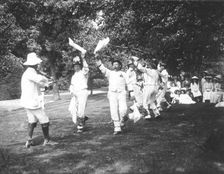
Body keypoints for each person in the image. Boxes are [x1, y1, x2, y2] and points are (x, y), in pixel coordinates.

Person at [20, 52, 55, 148]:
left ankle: (29, 140)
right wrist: (48, 80)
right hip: (32, 102)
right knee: (45, 120)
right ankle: (47, 140)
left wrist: (47, 85)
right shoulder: (30, 72)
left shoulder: (29, 72)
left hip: (28, 102)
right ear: (35, 64)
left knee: (32, 120)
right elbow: (40, 79)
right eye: (37, 64)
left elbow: (39, 84)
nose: (38, 65)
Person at [96, 58, 128, 135]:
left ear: (120, 65)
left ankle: (122, 120)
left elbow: (129, 83)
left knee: (123, 109)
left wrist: (132, 92)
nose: (115, 66)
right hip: (112, 93)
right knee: (113, 110)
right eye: (114, 64)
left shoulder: (124, 74)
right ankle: (117, 127)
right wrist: (97, 59)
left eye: (116, 64)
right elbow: (102, 68)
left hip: (121, 93)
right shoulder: (110, 73)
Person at [68, 40, 89, 133]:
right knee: (72, 108)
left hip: (83, 92)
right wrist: (72, 92)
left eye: (77, 66)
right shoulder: (73, 76)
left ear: (79, 66)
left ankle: (80, 126)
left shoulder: (83, 72)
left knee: (81, 109)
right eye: (74, 66)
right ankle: (83, 118)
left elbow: (86, 68)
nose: (76, 67)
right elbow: (71, 85)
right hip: (75, 94)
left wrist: (83, 58)